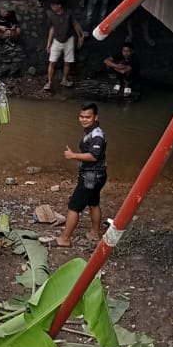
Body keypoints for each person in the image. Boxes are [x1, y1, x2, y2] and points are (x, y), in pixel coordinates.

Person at [54, 102, 107, 247]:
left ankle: (65, 239)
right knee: (94, 203)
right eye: (81, 116)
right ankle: (95, 233)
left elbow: (94, 156)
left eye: (88, 117)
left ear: (95, 117)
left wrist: (73, 155)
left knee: (74, 207)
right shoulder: (91, 131)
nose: (84, 119)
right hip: (99, 175)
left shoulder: (97, 136)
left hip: (91, 176)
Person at [44, 0, 83, 92]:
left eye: (54, 5)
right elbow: (52, 29)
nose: (52, 7)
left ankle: (64, 80)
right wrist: (49, 42)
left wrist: (80, 36)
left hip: (68, 39)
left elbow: (75, 24)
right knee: (52, 61)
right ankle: (49, 82)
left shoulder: (68, 13)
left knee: (67, 62)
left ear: (59, 6)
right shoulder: (51, 16)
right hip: (57, 40)